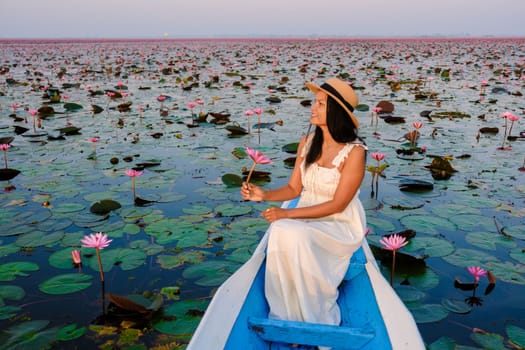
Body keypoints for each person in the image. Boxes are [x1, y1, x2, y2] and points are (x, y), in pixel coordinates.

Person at [240, 77, 368, 329]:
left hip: (337, 223)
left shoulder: (355, 152)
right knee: (281, 230)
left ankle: (314, 316)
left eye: (320, 103)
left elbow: (338, 205)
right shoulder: (307, 143)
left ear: (335, 111)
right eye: (315, 102)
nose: (313, 107)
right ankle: (287, 315)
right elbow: (294, 188)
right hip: (305, 215)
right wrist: (263, 195)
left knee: (291, 232)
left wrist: (287, 215)